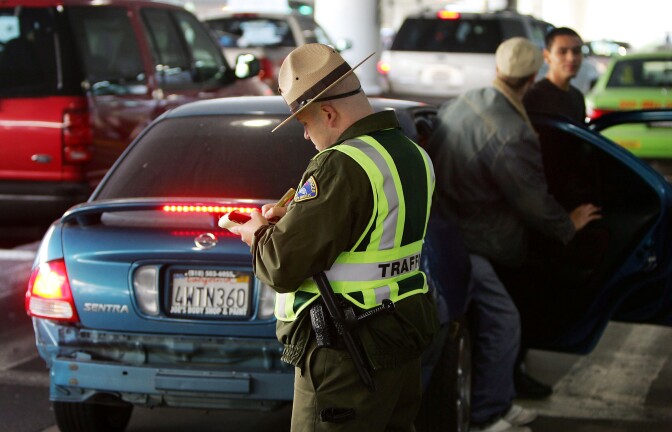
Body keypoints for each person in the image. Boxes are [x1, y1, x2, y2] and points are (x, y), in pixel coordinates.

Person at [230, 43, 439, 432]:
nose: (307, 137)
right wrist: (298, 218)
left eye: (305, 124)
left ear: (328, 112)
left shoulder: (341, 164)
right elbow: (371, 232)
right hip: (399, 336)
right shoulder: (411, 154)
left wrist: (258, 232)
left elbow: (281, 266)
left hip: (345, 349)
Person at [425, 37, 602, 432]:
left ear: (498, 69)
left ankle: (497, 403)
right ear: (535, 73)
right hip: (472, 240)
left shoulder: (468, 100)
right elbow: (532, 200)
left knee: (492, 322)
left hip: (445, 227)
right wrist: (567, 224)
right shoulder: (510, 131)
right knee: (504, 322)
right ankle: (488, 414)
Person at [524, 27, 587, 123]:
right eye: (562, 52)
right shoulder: (532, 97)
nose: (571, 58)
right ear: (546, 56)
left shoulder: (577, 97)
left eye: (576, 51)